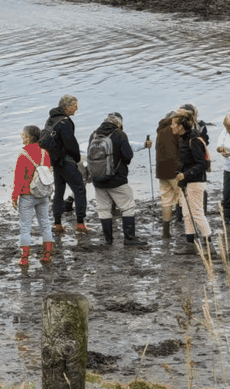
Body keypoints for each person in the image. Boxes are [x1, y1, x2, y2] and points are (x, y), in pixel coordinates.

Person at [88, 112, 151, 246]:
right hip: (117, 179)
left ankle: (108, 240)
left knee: (103, 209)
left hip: (98, 180)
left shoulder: (93, 135)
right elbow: (127, 156)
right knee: (128, 207)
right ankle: (129, 238)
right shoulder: (119, 134)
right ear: (118, 124)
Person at [44, 95, 90, 234]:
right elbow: (71, 143)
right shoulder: (65, 122)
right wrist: (76, 159)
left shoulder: (51, 120)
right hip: (66, 162)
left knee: (59, 192)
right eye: (75, 106)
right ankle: (80, 223)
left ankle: (57, 224)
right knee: (80, 189)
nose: (76, 109)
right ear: (67, 106)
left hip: (55, 162)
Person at [13, 125, 55, 267]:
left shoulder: (23, 155)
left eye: (23, 135)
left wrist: (14, 196)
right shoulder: (45, 153)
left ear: (29, 138)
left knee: (25, 227)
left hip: (27, 195)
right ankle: (47, 256)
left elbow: (18, 178)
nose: (21, 137)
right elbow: (48, 173)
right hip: (43, 194)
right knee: (45, 224)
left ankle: (24, 259)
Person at [172, 110, 212, 254]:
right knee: (187, 213)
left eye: (173, 124)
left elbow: (201, 164)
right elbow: (186, 161)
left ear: (181, 126)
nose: (171, 127)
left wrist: (185, 174)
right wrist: (179, 171)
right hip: (186, 182)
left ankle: (209, 246)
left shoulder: (193, 139)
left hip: (196, 181)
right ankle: (190, 245)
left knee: (197, 213)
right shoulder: (184, 138)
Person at [155, 111, 182, 238]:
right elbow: (181, 149)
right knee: (184, 197)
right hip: (174, 169)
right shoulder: (174, 131)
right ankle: (191, 230)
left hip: (161, 170)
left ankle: (166, 231)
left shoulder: (160, 130)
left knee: (166, 200)